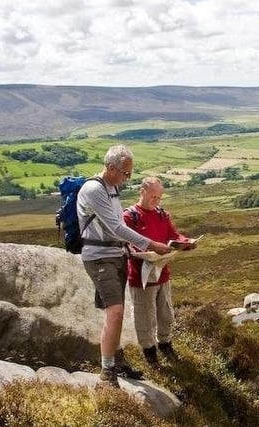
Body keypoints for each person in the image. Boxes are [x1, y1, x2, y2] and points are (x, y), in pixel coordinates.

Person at [78, 145, 172, 387]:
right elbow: (116, 227)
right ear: (110, 168)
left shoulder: (112, 189)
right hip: (100, 257)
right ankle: (107, 372)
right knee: (116, 312)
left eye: (130, 174)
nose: (127, 179)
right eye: (125, 173)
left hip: (116, 253)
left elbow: (117, 227)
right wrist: (152, 244)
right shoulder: (94, 189)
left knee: (115, 312)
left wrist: (132, 250)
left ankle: (117, 361)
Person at [124, 176, 196, 365]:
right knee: (145, 316)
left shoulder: (162, 214)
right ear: (142, 192)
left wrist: (186, 243)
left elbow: (174, 235)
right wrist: (147, 251)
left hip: (162, 273)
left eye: (159, 197)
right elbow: (128, 246)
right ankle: (149, 352)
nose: (156, 201)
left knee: (166, 314)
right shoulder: (129, 216)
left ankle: (165, 344)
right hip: (141, 277)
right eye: (153, 196)